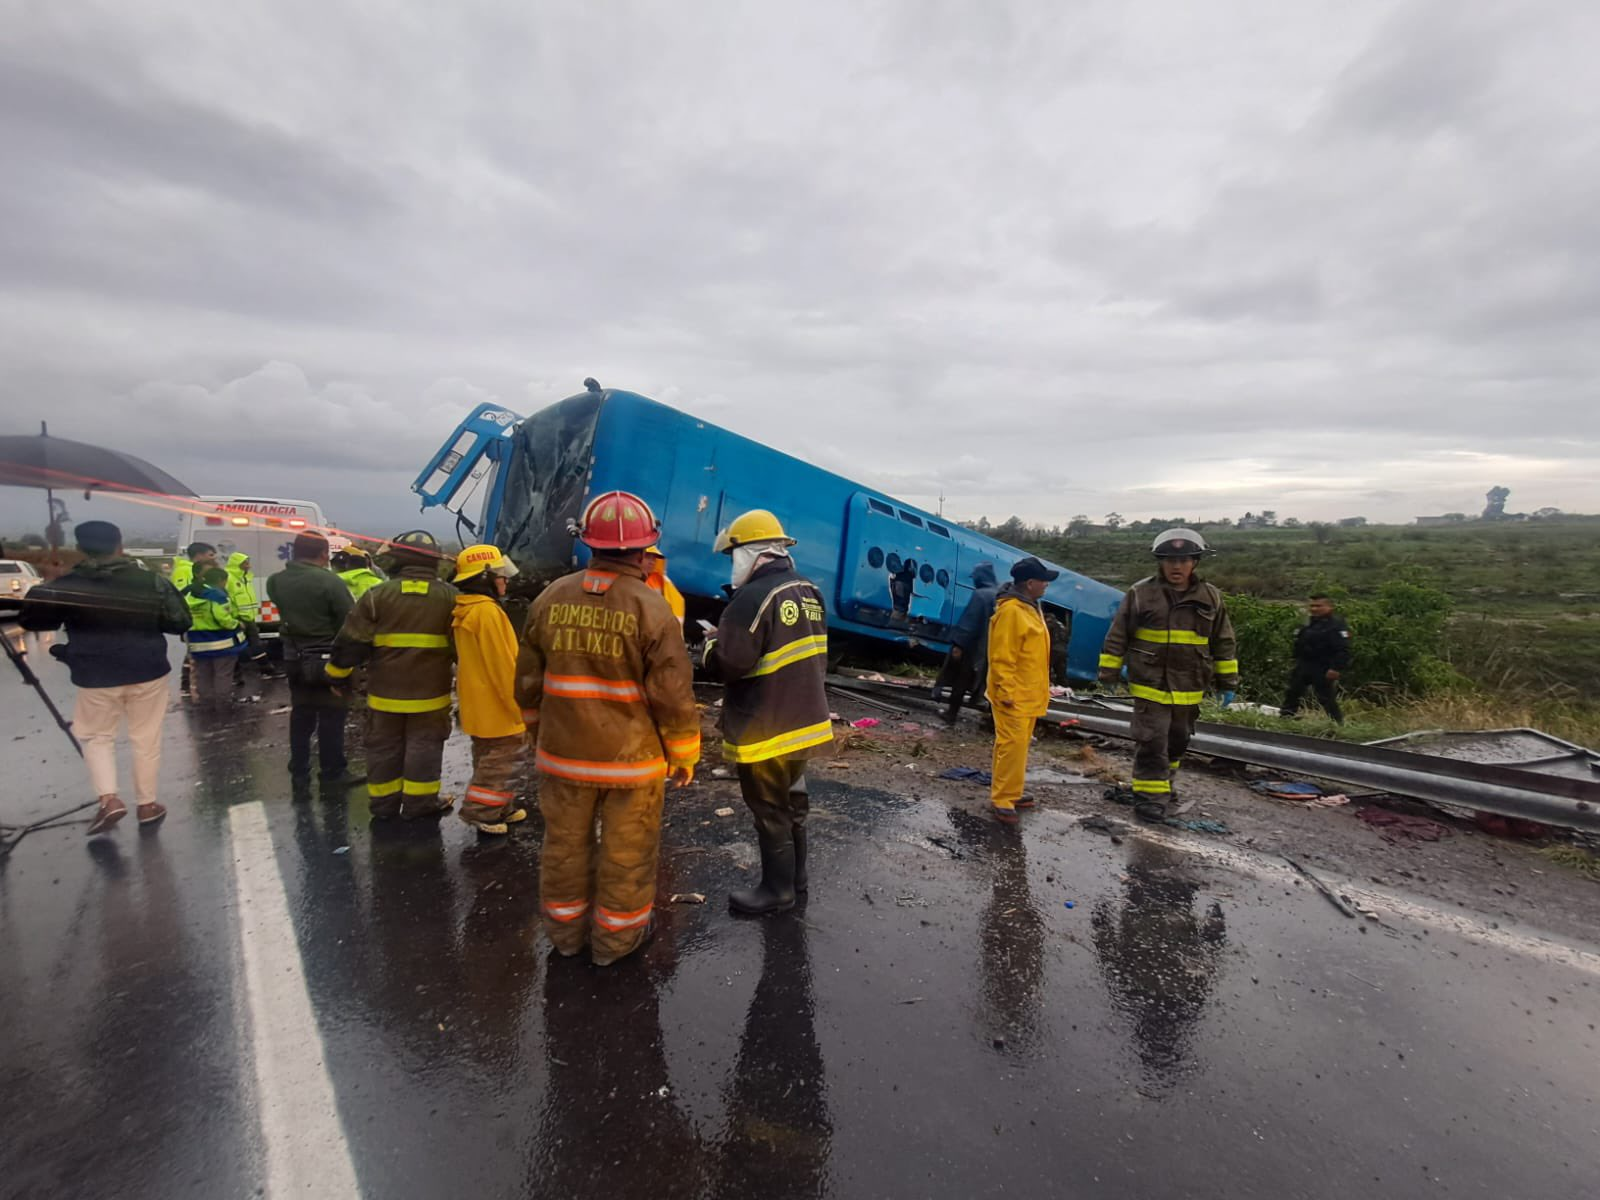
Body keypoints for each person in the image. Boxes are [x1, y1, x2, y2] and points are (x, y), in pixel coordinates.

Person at [515, 491, 700, 964]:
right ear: (644, 549)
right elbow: (673, 695)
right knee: (627, 853)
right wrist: (683, 754)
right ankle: (615, 944)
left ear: (587, 544)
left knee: (563, 848)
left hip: (562, 758)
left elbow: (528, 684)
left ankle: (565, 937)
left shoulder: (550, 598)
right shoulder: (652, 606)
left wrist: (539, 732)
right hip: (630, 766)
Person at [19, 520, 190, 835]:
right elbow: (180, 622)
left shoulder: (68, 585)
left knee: (97, 737)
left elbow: (32, 619)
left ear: (81, 549)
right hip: (147, 668)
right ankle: (147, 804)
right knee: (146, 738)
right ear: (119, 545)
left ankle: (109, 800)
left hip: (96, 672)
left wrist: (49, 583)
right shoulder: (152, 581)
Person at [704, 508, 833, 914]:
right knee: (793, 803)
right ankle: (797, 880)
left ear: (750, 552)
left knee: (768, 808)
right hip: (804, 720)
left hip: (766, 726)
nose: (732, 564)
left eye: (733, 555)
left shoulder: (753, 597)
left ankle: (776, 891)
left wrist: (711, 643)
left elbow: (730, 663)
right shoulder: (808, 589)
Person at [1098, 529, 1239, 822]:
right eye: (1170, 559)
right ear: (1160, 562)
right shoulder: (1141, 593)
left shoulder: (1210, 597)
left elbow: (1223, 641)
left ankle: (1164, 785)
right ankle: (1149, 797)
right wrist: (1109, 672)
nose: (1177, 566)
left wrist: (1228, 682)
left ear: (1195, 562)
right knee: (1152, 740)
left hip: (1189, 686)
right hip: (1151, 684)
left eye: (1184, 559)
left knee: (1177, 740)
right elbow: (1118, 634)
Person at [327, 530, 457, 820]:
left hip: (384, 696)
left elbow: (350, 643)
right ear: (433, 562)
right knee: (424, 747)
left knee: (383, 747)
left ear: (397, 560)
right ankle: (420, 805)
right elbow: (463, 648)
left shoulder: (377, 596)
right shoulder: (450, 598)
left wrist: (337, 676)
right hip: (430, 697)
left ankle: (384, 806)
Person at [267, 532, 360, 790]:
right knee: (332, 714)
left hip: (293, 656)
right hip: (326, 658)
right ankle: (332, 772)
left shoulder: (276, 581)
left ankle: (299, 768)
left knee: (301, 713)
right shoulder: (329, 582)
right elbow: (349, 622)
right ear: (323, 554)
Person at [452, 543, 530, 835]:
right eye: (499, 574)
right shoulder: (487, 613)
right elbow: (504, 666)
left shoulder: (467, 609)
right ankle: (481, 811)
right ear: (484, 577)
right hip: (498, 708)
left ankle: (501, 807)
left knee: (488, 760)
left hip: (479, 705)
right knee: (503, 763)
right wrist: (518, 706)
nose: (505, 580)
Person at [986, 557, 1057, 824]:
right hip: (1012, 695)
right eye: (1043, 580)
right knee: (1011, 745)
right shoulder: (1012, 612)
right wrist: (1005, 691)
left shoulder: (1029, 608)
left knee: (1018, 746)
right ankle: (1002, 799)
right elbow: (1002, 656)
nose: (1046, 584)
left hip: (1027, 693)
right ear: (1030, 583)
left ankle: (1011, 791)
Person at [938, 561, 1000, 725]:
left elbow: (969, 622)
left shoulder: (981, 595)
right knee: (990, 685)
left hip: (973, 648)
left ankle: (951, 715)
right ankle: (993, 721)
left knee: (961, 680)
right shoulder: (1000, 595)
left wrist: (958, 645)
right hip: (992, 649)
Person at [184, 566, 246, 711]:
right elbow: (223, 619)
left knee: (203, 673)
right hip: (221, 641)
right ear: (220, 580)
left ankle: (206, 702)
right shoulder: (217, 596)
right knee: (223, 673)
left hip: (197, 641)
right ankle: (223, 703)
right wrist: (237, 624)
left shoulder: (190, 594)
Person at [1282, 594, 1351, 723]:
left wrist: (1336, 668)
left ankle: (1337, 723)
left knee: (1326, 698)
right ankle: (1285, 718)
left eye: (1319, 606)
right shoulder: (1308, 623)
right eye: (1312, 606)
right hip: (1304, 664)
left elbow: (1343, 649)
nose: (1314, 609)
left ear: (1329, 607)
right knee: (1292, 693)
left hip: (1323, 666)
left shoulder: (1336, 625)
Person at [170, 541, 216, 696]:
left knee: (196, 652)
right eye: (210, 555)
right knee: (192, 653)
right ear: (199, 555)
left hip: (201, 620)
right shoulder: (184, 571)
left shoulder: (193, 570)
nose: (213, 558)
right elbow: (182, 595)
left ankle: (194, 684)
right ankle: (186, 685)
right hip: (193, 619)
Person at [225, 552, 280, 682]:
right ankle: (235, 675)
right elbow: (227, 600)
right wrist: (233, 619)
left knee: (256, 644)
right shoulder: (229, 579)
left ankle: (266, 669)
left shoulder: (245, 578)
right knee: (233, 649)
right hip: (238, 619)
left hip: (249, 618)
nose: (249, 566)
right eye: (246, 563)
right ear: (237, 564)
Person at [643, 544, 686, 626]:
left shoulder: (661, 580)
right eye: (647, 557)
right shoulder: (629, 579)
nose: (652, 561)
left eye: (654, 558)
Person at [1044, 609, 1073, 687]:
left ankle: (1047, 686)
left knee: (1046, 669)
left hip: (1054, 649)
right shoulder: (1062, 625)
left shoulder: (1050, 623)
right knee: (1061, 672)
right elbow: (1068, 638)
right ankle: (1064, 688)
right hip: (1063, 651)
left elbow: (1045, 635)